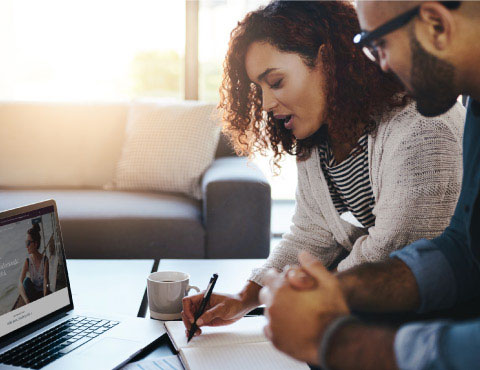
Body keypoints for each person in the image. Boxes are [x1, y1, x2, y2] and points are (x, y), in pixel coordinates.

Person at [182, 1, 465, 339]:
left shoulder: (422, 129)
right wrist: (245, 298)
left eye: (276, 81)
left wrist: (292, 298)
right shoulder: (319, 136)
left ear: (329, 61)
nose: (267, 104)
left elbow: (391, 255)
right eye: (259, 89)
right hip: (366, 318)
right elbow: (310, 235)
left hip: (426, 334)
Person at [259, 1, 480, 369]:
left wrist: (332, 342)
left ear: (436, 25)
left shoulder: (426, 129)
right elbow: (464, 252)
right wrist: (339, 290)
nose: (380, 64)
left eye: (378, 44)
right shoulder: (475, 104)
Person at [18, 224, 50, 304]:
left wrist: (45, 297)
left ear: (35, 244)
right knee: (26, 281)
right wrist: (26, 300)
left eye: (28, 243)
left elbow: (46, 281)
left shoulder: (45, 260)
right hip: (33, 295)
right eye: (26, 243)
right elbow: (20, 283)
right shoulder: (28, 261)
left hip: (43, 293)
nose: (26, 246)